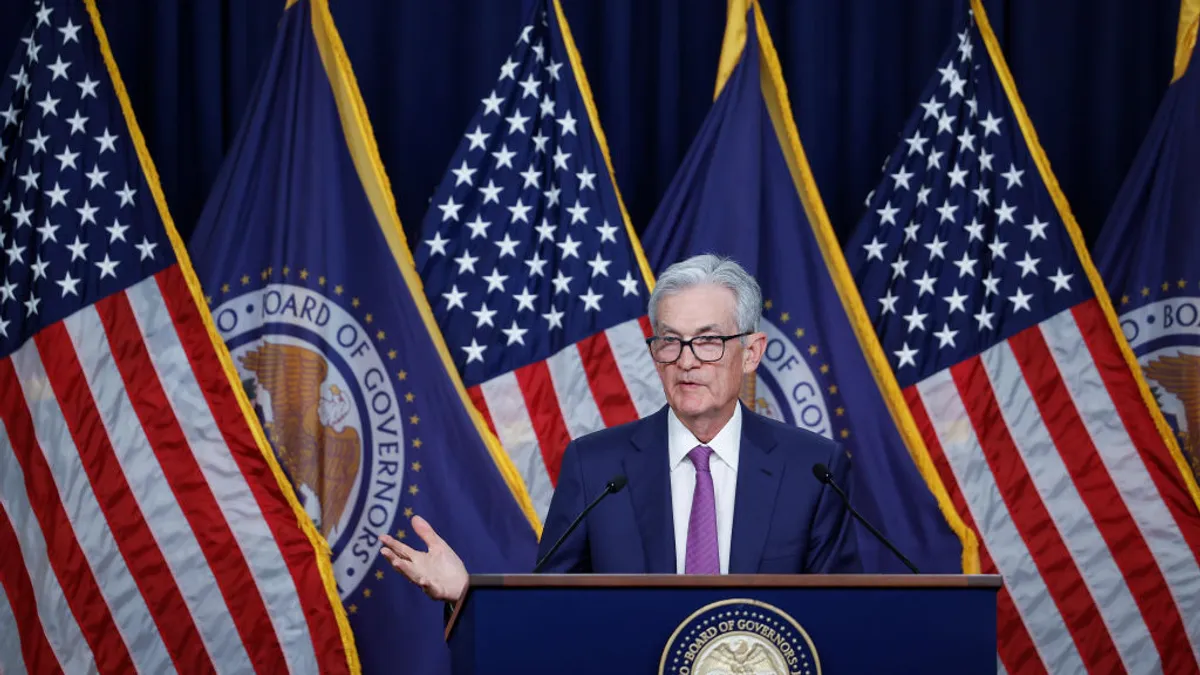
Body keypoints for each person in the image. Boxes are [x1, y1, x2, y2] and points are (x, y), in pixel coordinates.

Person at [379, 254, 860, 603]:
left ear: (751, 352)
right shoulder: (597, 467)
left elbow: (843, 619)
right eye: (669, 342)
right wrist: (467, 592)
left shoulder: (812, 470)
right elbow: (551, 610)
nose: (686, 361)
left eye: (709, 342)